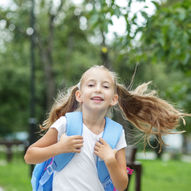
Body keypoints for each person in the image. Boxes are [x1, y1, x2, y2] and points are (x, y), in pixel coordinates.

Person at [24, 65, 190, 191]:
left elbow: (122, 185)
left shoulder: (116, 132)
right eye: (91, 85)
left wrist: (110, 160)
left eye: (105, 86)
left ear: (114, 99)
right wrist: (60, 147)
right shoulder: (65, 124)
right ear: (79, 96)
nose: (98, 89)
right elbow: (30, 156)